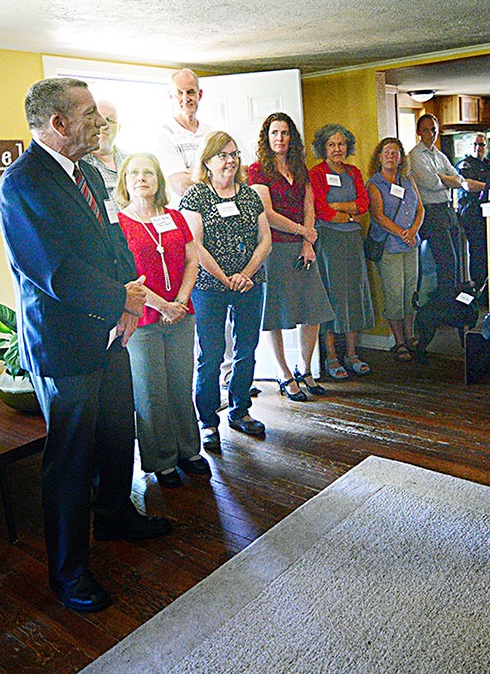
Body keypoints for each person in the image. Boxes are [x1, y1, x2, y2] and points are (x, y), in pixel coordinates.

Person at [0, 77, 171, 615]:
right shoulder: (22, 185)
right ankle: (68, 572)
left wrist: (129, 303)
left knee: (120, 431)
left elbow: (114, 239)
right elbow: (54, 271)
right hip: (65, 346)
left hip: (111, 331)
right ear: (58, 124)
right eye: (90, 113)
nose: (100, 122)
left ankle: (117, 516)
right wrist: (117, 298)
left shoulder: (90, 173)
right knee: (70, 462)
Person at [113, 152, 209, 489]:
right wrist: (163, 306)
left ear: (159, 180)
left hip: (181, 314)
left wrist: (180, 301)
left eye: (149, 173)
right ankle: (162, 459)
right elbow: (127, 276)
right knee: (151, 391)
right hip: (142, 319)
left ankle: (188, 450)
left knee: (181, 386)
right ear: (125, 180)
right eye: (135, 173)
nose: (142, 178)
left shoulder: (174, 217)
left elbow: (192, 260)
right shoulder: (119, 224)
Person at [179, 131, 272, 448]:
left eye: (234, 154)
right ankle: (207, 420)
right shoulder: (196, 196)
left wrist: (245, 274)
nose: (230, 160)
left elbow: (265, 240)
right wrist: (223, 277)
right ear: (207, 161)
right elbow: (195, 246)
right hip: (208, 286)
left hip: (250, 283)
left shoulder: (249, 195)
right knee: (211, 354)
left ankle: (240, 412)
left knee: (247, 349)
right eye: (223, 155)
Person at [248, 112, 333, 400]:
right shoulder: (258, 170)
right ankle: (283, 374)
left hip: (303, 247)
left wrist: (307, 240)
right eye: (274, 133)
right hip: (275, 248)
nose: (280, 138)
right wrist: (303, 232)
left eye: (285, 133)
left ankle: (304, 369)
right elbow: (267, 214)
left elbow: (309, 204)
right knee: (276, 314)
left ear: (291, 137)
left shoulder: (300, 167)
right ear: (266, 137)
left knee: (314, 311)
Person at [309, 123, 376, 379]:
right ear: (323, 148)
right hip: (328, 241)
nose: (337, 149)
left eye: (341, 144)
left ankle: (352, 353)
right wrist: (349, 216)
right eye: (332, 144)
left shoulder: (354, 172)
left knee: (354, 294)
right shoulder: (316, 173)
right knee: (331, 295)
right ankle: (331, 357)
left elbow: (363, 204)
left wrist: (340, 207)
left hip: (352, 242)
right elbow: (320, 208)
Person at [367, 138, 425, 361]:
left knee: (410, 291)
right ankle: (399, 341)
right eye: (387, 152)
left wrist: (413, 231)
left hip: (411, 245)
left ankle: (410, 336)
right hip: (389, 247)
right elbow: (378, 216)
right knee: (394, 294)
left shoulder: (408, 179)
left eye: (395, 152)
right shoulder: (374, 184)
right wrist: (404, 233)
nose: (391, 156)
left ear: (401, 157)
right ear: (379, 157)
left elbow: (420, 209)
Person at [407, 113, 467, 300]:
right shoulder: (415, 156)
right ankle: (445, 304)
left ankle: (455, 302)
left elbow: (460, 180)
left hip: (448, 209)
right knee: (446, 260)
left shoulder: (439, 155)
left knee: (457, 258)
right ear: (418, 132)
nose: (431, 134)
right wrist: (446, 179)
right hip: (431, 212)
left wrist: (444, 178)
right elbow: (432, 183)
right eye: (426, 130)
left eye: (433, 129)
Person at [155, 68, 213, 201]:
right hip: (184, 216)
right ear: (171, 96)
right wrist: (210, 172)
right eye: (179, 93)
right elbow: (181, 186)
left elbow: (232, 175)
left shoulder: (211, 133)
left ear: (200, 94)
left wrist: (191, 171)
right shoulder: (164, 134)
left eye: (190, 92)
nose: (185, 98)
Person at [456, 132, 490, 287]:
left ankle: (488, 289)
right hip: (471, 215)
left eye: (481, 144)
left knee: (489, 253)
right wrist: (488, 186)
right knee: (477, 254)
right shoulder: (465, 164)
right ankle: (478, 288)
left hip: (488, 214)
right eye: (475, 144)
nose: (478, 148)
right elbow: (468, 185)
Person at [85, 96, 125, 191]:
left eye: (110, 120)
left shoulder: (131, 161)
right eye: (98, 119)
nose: (104, 125)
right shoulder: (78, 164)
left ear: (119, 128)